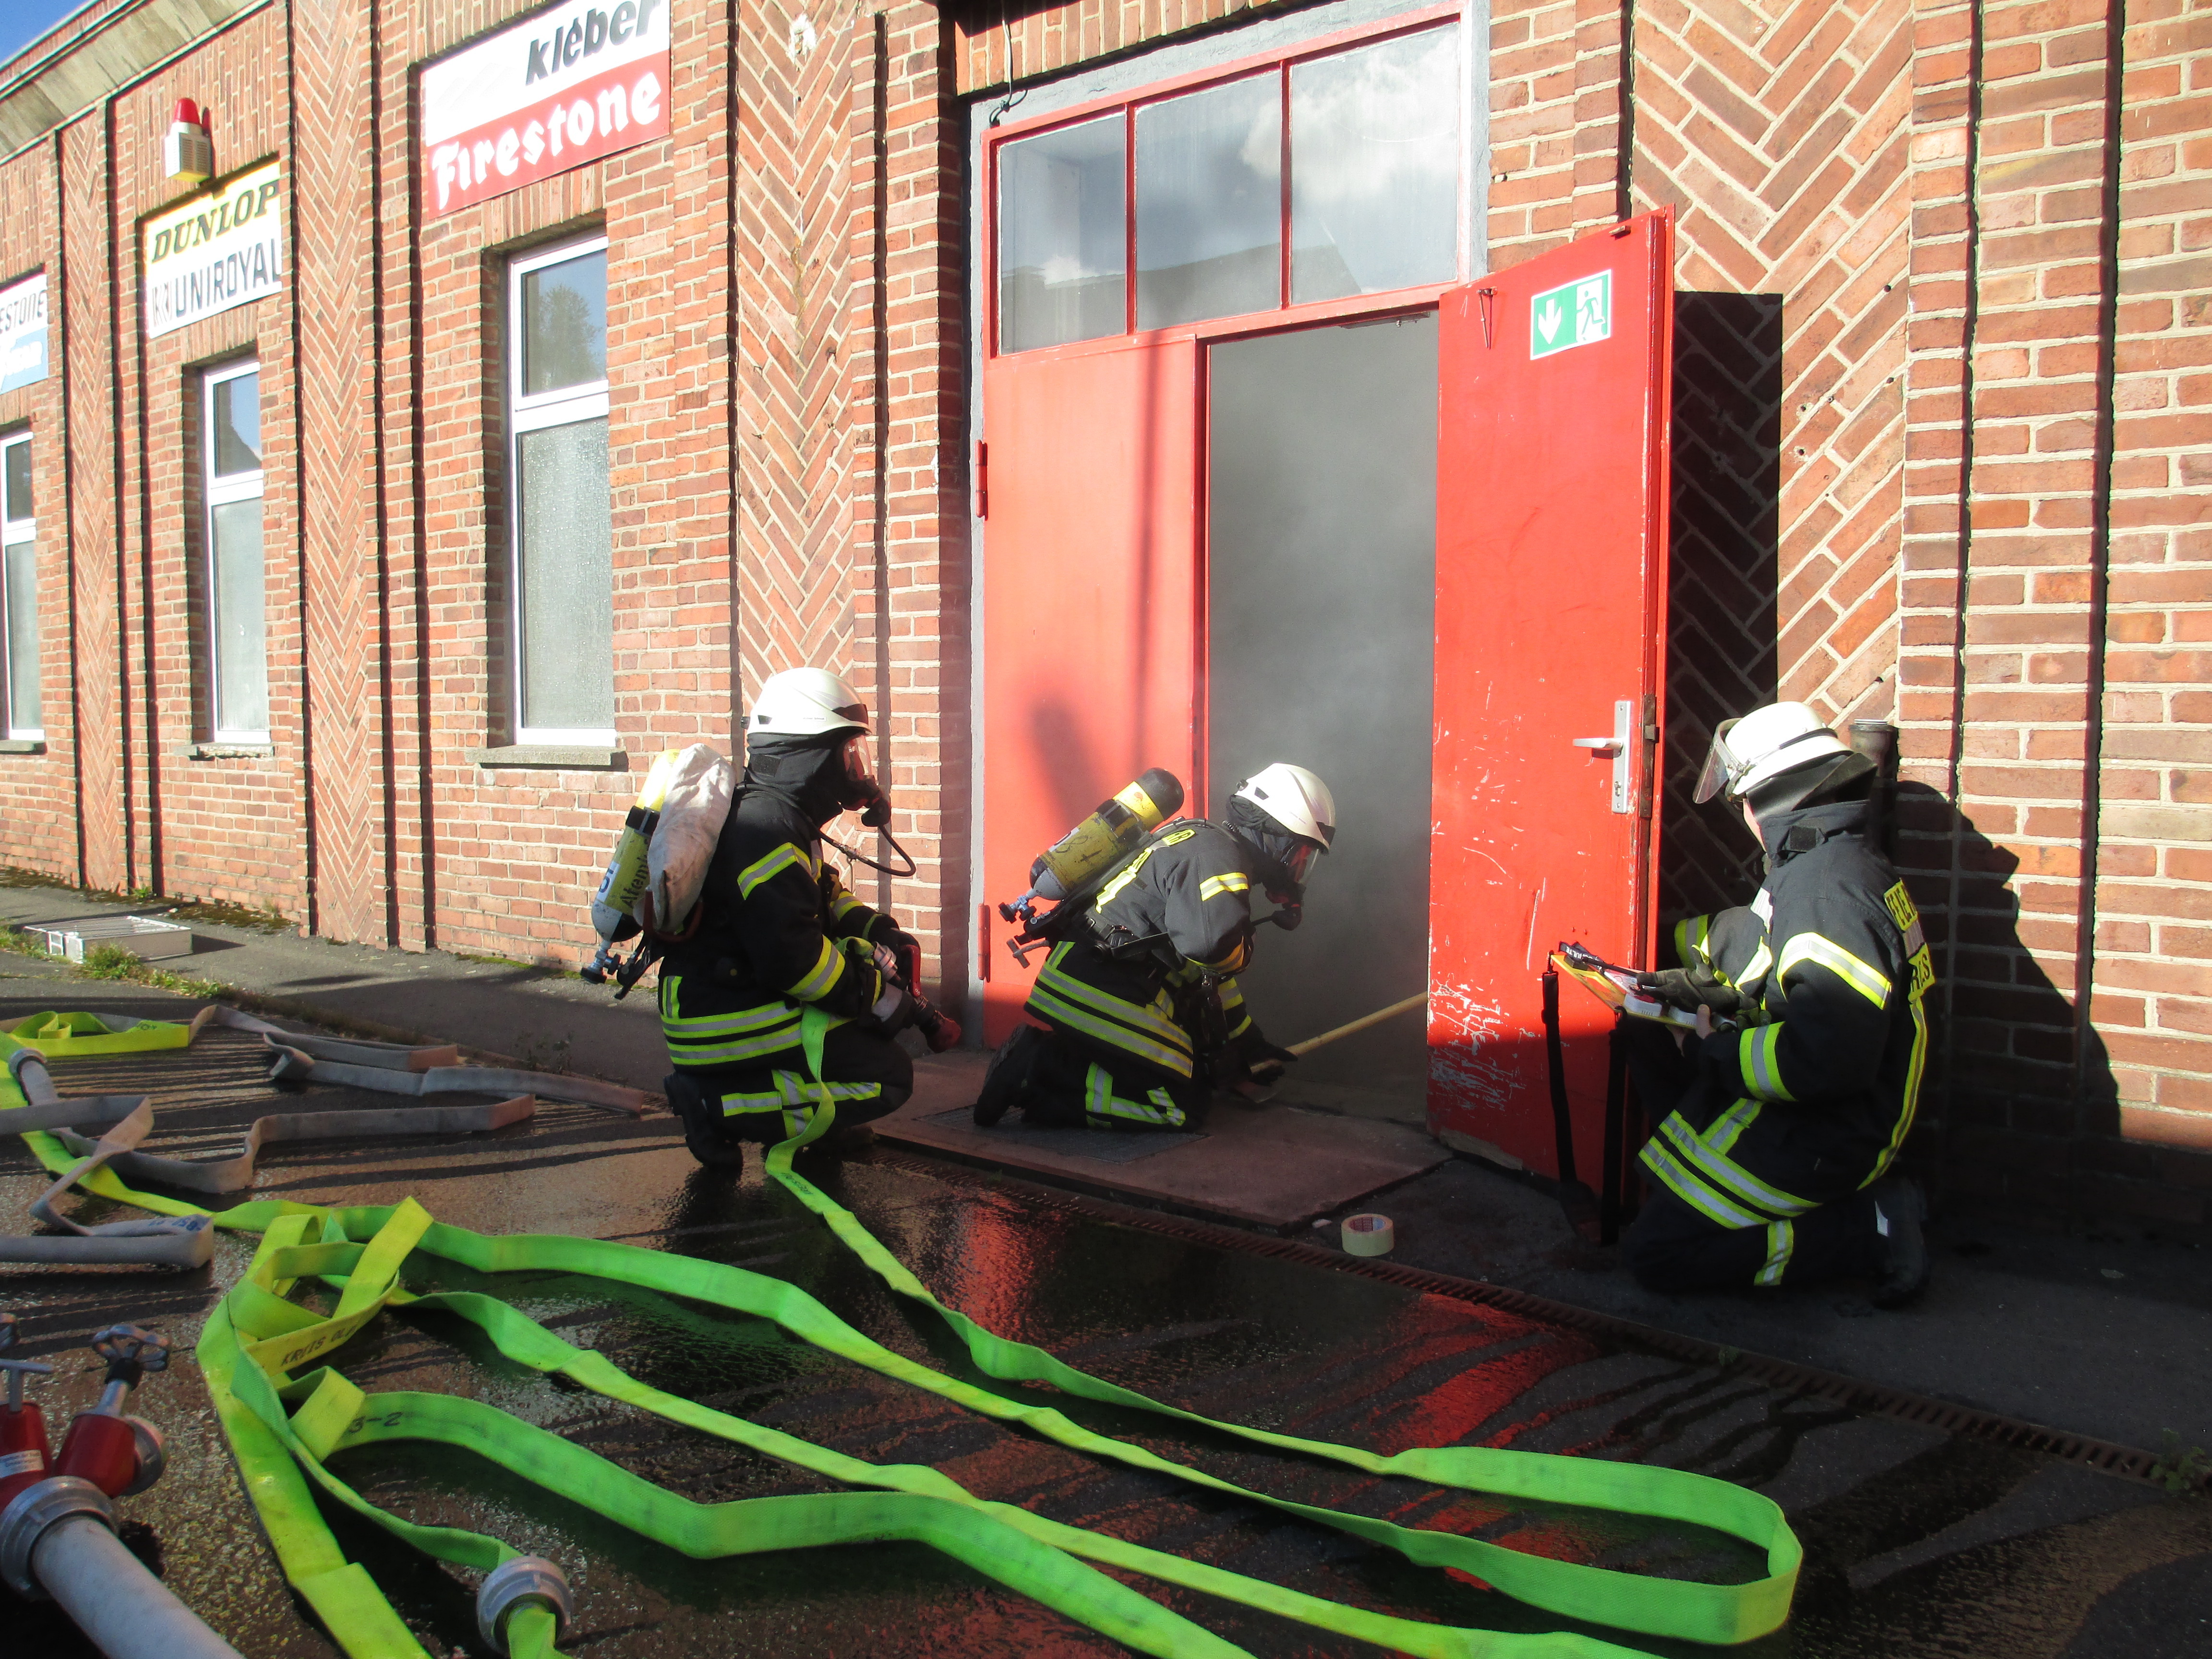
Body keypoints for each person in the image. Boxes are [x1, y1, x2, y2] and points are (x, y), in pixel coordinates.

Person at [1623, 702, 1935, 1307]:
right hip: (1841, 1110)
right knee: (1646, 1043)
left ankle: (1869, 1229)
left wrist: (1716, 1049)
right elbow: (1778, 961)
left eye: (1742, 800)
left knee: (1657, 1254)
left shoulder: (1826, 889)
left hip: (1837, 1130)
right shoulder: (1827, 864)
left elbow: (1826, 1057)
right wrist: (1696, 988)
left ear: (1772, 797)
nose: (1741, 816)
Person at [658, 667, 926, 1166]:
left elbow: (822, 898)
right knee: (886, 1075)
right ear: (809, 758)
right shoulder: (764, 834)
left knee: (868, 1032)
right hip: (719, 1018)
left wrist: (878, 929)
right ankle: (712, 1106)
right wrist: (875, 994)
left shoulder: (777, 819)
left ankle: (811, 1122)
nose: (855, 769)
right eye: (846, 755)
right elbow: (796, 964)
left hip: (724, 1000)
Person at [974, 763, 1333, 1131]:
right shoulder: (1220, 859)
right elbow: (1212, 949)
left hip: (1091, 977)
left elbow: (1210, 976)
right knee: (1181, 1108)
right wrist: (1244, 948)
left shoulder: (1203, 840)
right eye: (1302, 852)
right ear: (1276, 836)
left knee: (1191, 1074)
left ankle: (1060, 1061)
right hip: (1098, 986)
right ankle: (1036, 1068)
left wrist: (1247, 1042)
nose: (1300, 866)